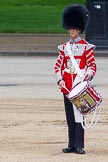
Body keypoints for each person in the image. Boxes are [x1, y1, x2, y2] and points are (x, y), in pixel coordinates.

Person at [54, 4, 96, 154]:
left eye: (74, 28)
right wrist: (60, 80)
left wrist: (88, 74)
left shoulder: (86, 47)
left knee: (79, 117)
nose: (71, 31)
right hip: (66, 87)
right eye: (70, 28)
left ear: (79, 29)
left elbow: (92, 65)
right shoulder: (64, 48)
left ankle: (80, 145)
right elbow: (58, 65)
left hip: (79, 87)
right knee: (70, 118)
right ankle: (71, 144)